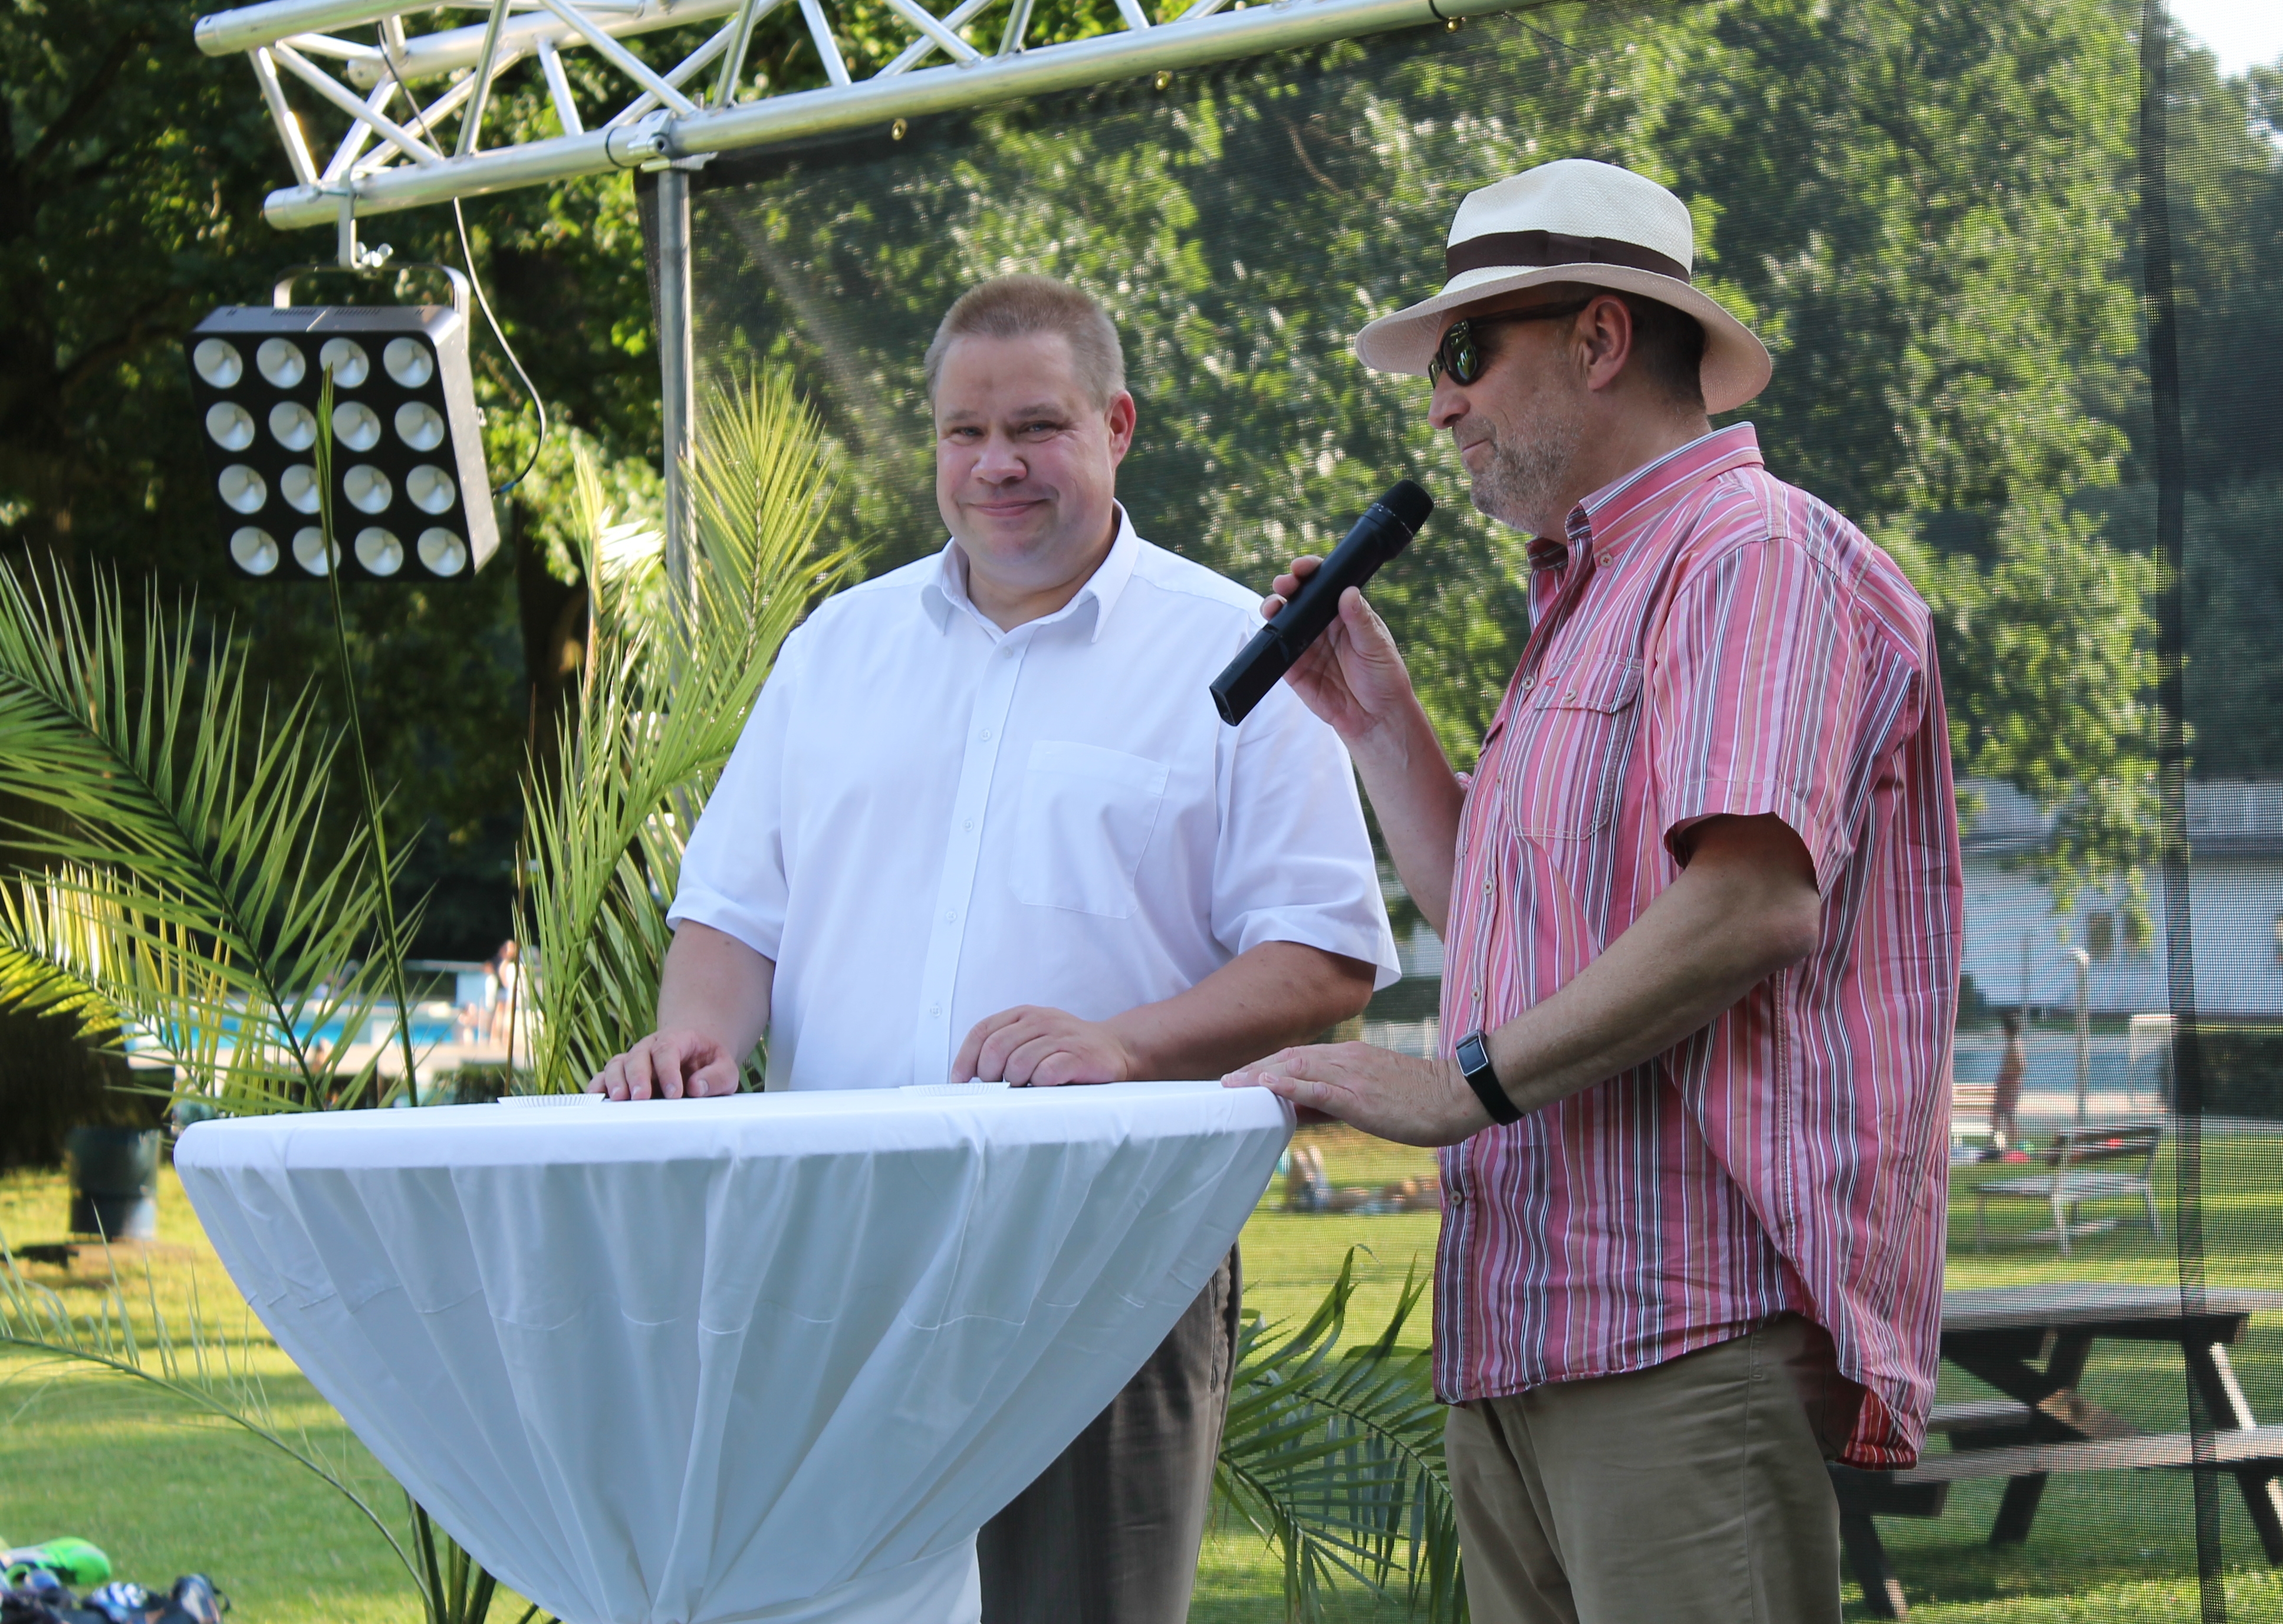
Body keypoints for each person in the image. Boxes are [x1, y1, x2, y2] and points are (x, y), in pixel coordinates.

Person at [588, 274, 1397, 1624]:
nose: (996, 464)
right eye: (965, 432)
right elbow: (731, 914)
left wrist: (1123, 1042)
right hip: (831, 1247)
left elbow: (1325, 963)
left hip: (1104, 1251)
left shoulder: (1243, 654)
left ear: (1117, 423)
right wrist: (702, 1036)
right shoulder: (836, 649)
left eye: (1035, 425)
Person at [1224, 160, 1963, 1623]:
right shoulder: (1592, 588)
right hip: (1528, 1334)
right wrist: (1379, 722)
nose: (1437, 403)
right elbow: (1522, 932)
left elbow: (1750, 902)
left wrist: (1457, 1086)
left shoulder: (1746, 554)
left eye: (1460, 354)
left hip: (1680, 1338)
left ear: (1600, 339)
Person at [1992, 1011, 2029, 1153]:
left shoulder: (2015, 1044)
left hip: (2009, 1084)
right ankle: (2004, 1143)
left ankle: (2007, 1144)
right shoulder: (2014, 1042)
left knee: (2003, 1114)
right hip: (2007, 1083)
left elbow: (2022, 1065)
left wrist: (2010, 1079)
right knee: (2005, 1115)